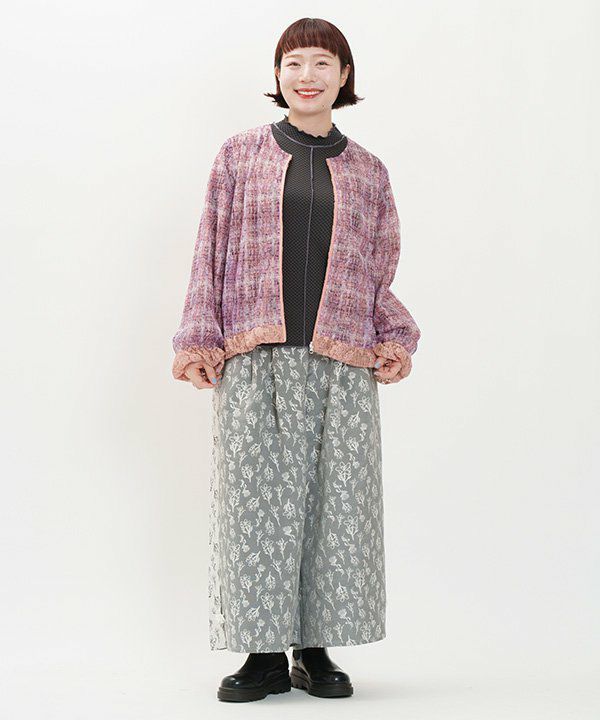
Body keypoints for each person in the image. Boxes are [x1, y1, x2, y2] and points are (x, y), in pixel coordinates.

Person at [171, 17, 421, 702]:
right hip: (256, 357)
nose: (306, 76)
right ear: (278, 76)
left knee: (334, 506)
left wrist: (392, 337)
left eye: (321, 63)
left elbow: (379, 267)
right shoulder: (239, 155)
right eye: (293, 63)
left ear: (344, 76)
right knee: (254, 506)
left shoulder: (368, 171)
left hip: (341, 360)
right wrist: (198, 336)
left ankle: (314, 650)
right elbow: (209, 248)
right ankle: (261, 656)